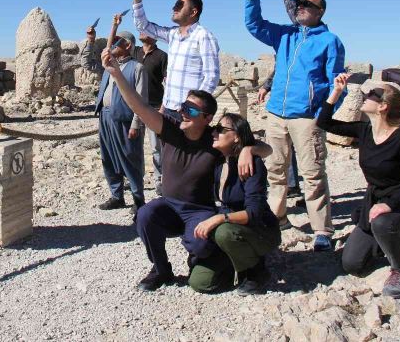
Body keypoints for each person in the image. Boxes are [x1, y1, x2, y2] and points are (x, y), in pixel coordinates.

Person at [99, 49, 271, 292]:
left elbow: (266, 149)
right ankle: (161, 270)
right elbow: (139, 106)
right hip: (169, 205)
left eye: (191, 110)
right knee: (146, 215)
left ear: (206, 117)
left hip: (199, 211)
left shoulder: (214, 140)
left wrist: (249, 150)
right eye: (183, 107)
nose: (183, 112)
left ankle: (218, 260)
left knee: (201, 245)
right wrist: (117, 75)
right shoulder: (170, 129)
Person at [245, 0, 346, 252]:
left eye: (307, 4)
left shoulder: (330, 41)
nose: (300, 6)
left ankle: (322, 229)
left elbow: (336, 82)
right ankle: (277, 217)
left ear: (320, 11)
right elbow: (254, 25)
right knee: (275, 170)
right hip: (277, 114)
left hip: (306, 118)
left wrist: (322, 115)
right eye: (298, 2)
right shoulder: (285, 34)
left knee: (313, 174)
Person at [317, 75, 400, 299]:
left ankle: (399, 272)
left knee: (381, 222)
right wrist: (336, 92)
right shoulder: (364, 131)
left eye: (372, 95)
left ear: (382, 106)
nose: (366, 96)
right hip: (374, 202)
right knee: (352, 264)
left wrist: (389, 205)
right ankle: (388, 240)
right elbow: (324, 123)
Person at [188, 113, 281, 295]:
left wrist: (249, 149)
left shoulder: (251, 164)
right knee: (200, 282)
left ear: (236, 136)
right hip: (230, 229)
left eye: (221, 130)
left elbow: (254, 213)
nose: (215, 133)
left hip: (257, 229)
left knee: (223, 232)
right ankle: (234, 264)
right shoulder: (218, 159)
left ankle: (256, 271)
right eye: (215, 129)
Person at [129, 0, 220, 122]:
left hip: (189, 113)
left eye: (179, 5)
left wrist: (194, 108)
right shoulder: (173, 35)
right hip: (169, 110)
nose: (174, 8)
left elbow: (211, 76)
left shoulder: (203, 36)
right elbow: (143, 26)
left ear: (193, 12)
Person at [91, 14, 149, 214]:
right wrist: (113, 27)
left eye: (118, 42)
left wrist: (136, 124)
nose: (113, 45)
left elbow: (141, 99)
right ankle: (116, 196)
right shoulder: (109, 65)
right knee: (108, 157)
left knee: (129, 158)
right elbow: (107, 49)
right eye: (114, 42)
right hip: (106, 116)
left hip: (125, 119)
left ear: (128, 46)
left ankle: (138, 199)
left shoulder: (137, 68)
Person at [259, 72, 302, 202]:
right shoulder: (283, 53)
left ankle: (292, 185)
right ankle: (291, 185)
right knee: (281, 149)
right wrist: (267, 86)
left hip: (302, 106)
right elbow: (280, 68)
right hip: (280, 106)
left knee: (311, 168)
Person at [134, 33, 168, 195]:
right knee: (135, 146)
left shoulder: (162, 56)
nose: (142, 31)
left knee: (156, 147)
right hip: (134, 108)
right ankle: (135, 179)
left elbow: (167, 82)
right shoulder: (135, 52)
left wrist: (164, 105)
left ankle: (159, 181)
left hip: (154, 107)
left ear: (154, 38)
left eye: (147, 30)